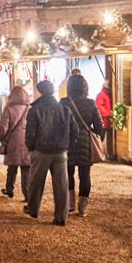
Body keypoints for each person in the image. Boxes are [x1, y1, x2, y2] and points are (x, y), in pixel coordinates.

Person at [23, 80, 77, 226]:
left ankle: (33, 209)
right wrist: (68, 146)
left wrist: (31, 148)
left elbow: (30, 133)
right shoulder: (64, 109)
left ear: (40, 92)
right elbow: (74, 131)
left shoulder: (35, 110)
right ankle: (61, 217)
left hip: (41, 151)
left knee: (35, 182)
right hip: (60, 152)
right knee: (61, 186)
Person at [60, 74, 104, 217]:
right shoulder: (90, 103)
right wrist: (94, 137)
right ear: (85, 87)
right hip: (85, 144)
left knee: (68, 173)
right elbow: (99, 126)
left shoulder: (64, 103)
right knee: (85, 175)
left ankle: (70, 204)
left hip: (67, 141)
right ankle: (82, 207)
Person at [0, 85, 32, 200]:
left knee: (12, 167)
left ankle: (9, 188)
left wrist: (2, 138)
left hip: (13, 141)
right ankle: (27, 193)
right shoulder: (29, 108)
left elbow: (3, 127)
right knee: (26, 168)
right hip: (27, 140)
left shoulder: (9, 108)